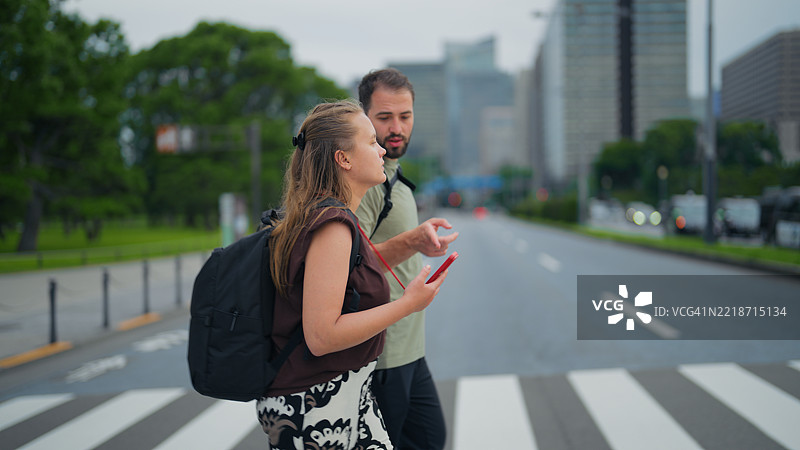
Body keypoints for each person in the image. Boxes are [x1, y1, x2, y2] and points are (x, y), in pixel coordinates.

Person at [256, 99, 448, 449]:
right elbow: (322, 335)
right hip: (316, 408)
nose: (381, 151)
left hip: (342, 398)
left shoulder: (328, 217)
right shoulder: (332, 225)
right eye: (371, 142)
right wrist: (409, 303)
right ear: (343, 158)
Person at [356, 69, 459, 449]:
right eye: (384, 117)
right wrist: (412, 240)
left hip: (410, 350)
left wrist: (419, 243)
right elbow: (350, 267)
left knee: (431, 439)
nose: (396, 127)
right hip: (382, 356)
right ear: (364, 116)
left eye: (405, 116)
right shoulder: (367, 181)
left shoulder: (394, 177)